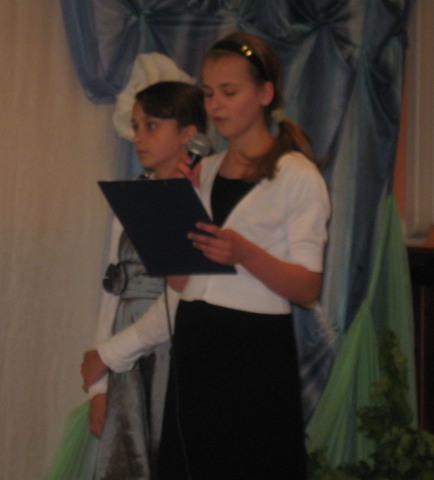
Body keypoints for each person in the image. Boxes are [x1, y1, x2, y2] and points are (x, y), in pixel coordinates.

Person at [83, 31, 330, 480]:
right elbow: (182, 282)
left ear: (265, 94)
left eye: (229, 92)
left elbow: (308, 287)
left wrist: (245, 253)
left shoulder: (297, 175)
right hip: (196, 339)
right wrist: (172, 216)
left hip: (253, 346)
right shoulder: (205, 170)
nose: (216, 105)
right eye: (210, 93)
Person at [81, 80, 207, 480]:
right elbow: (114, 289)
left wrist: (111, 355)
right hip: (123, 362)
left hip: (169, 356)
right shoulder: (136, 194)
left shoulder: (201, 201)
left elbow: (179, 298)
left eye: (151, 126)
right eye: (137, 126)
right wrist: (100, 387)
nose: (138, 137)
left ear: (188, 134)